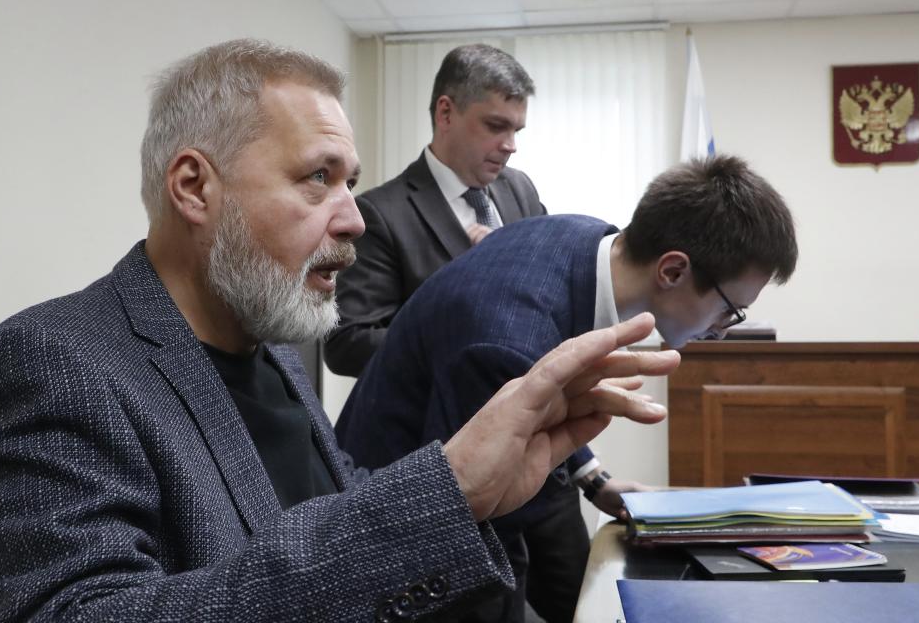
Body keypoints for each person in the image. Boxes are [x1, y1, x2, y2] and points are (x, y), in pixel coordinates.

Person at [0, 39, 681, 623]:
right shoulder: (52, 363)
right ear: (193, 187)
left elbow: (327, 513)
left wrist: (474, 492)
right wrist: (445, 491)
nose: (354, 219)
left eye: (350, 182)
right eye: (318, 178)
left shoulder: (272, 349)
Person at [336, 155, 799, 622]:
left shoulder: (586, 239)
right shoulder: (507, 340)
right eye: (730, 310)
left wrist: (594, 480)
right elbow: (512, 536)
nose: (724, 329)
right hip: (388, 546)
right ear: (673, 271)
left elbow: (548, 391)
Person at [323, 43, 545, 378]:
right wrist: (467, 317)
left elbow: (549, 284)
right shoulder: (380, 213)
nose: (510, 145)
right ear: (446, 113)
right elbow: (347, 345)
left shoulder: (521, 190)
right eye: (496, 126)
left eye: (516, 130)